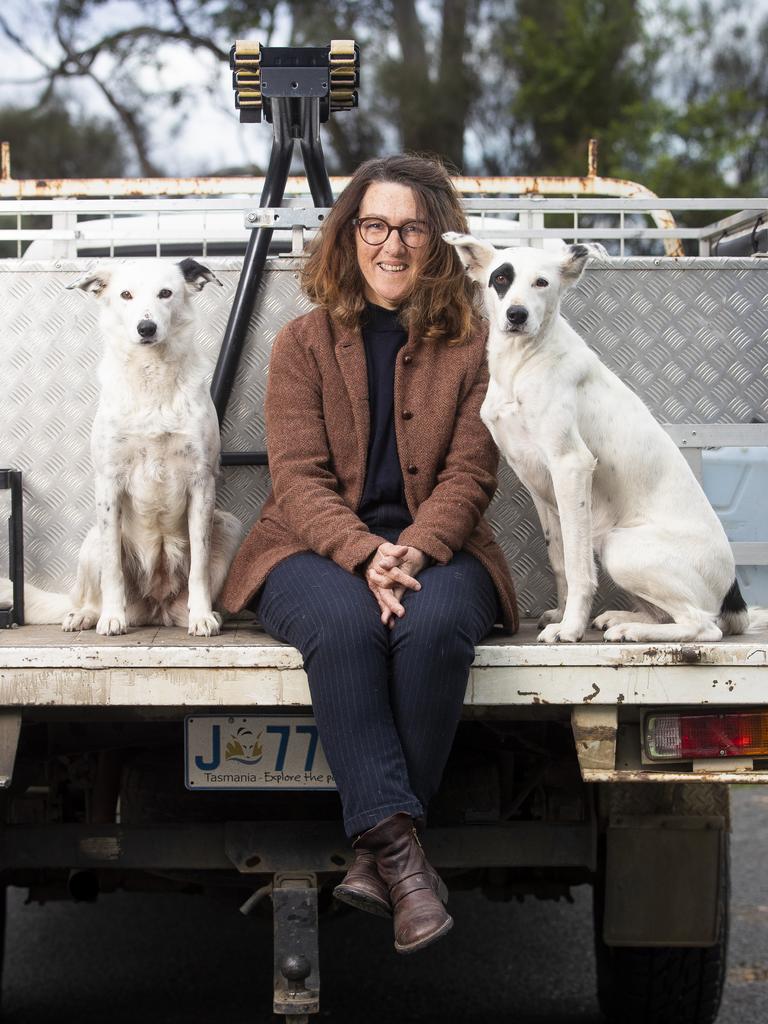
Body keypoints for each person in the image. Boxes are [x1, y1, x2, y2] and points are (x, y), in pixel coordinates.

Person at [220, 153, 518, 954]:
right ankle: (406, 862)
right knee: (347, 627)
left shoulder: (476, 345)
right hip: (309, 547)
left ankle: (373, 855)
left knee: (437, 628)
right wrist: (364, 556)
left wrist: (413, 552)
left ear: (438, 241)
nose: (393, 244)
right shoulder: (301, 342)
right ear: (349, 234)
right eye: (376, 225)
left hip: (440, 548)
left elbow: (470, 471)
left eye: (413, 227)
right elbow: (298, 477)